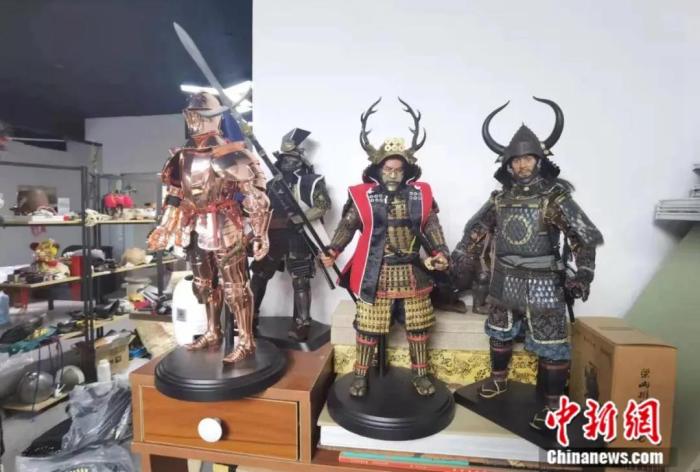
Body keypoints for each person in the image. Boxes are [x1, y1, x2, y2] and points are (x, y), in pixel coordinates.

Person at [453, 97, 603, 429]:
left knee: (551, 345)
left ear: (539, 160)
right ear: (508, 165)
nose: (522, 165)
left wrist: (584, 274)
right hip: (504, 277)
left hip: (544, 281)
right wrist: (461, 255)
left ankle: (552, 406)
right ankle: (498, 381)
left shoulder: (555, 198)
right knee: (499, 333)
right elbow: (476, 230)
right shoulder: (500, 199)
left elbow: (583, 237)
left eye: (527, 159)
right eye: (516, 160)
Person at [321, 98, 449, 397]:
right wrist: (333, 249)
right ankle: (360, 375)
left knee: (418, 328)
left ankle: (420, 375)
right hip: (376, 271)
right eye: (388, 169)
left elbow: (432, 225)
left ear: (406, 171)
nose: (393, 174)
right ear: (378, 170)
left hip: (413, 270)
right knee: (368, 328)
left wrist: (440, 252)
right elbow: (348, 226)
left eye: (398, 169)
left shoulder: (419, 195)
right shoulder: (364, 196)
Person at [147, 92, 271, 363]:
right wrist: (165, 226)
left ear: (215, 118)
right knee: (203, 285)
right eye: (191, 115)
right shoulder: (181, 156)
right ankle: (213, 331)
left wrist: (261, 234)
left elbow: (256, 196)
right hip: (195, 225)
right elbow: (175, 194)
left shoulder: (232, 154)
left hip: (225, 224)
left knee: (235, 287)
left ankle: (246, 341)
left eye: (200, 115)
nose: (194, 121)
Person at [250, 129, 331, 341]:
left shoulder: (312, 181)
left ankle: (302, 322)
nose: (287, 162)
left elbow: (323, 205)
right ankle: (250, 316)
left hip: (298, 236)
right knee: (259, 275)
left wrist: (299, 219)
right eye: (284, 158)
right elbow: (262, 211)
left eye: (292, 158)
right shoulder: (271, 185)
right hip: (273, 236)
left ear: (300, 160)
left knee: (300, 280)